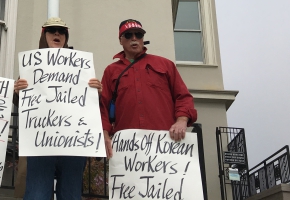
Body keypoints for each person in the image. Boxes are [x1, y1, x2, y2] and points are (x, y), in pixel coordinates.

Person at [13, 17, 102, 200]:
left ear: (66, 37)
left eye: (61, 31)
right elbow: (21, 104)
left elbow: (90, 105)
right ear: (44, 34)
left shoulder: (81, 67)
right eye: (52, 30)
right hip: (41, 143)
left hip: (73, 144)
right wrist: (17, 92)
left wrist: (96, 92)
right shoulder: (31, 65)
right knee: (37, 195)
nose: (57, 34)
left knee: (70, 194)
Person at [99, 19, 198, 158]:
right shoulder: (111, 71)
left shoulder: (165, 64)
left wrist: (182, 120)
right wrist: (104, 135)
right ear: (120, 40)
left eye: (138, 35)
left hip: (165, 144)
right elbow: (102, 106)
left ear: (142, 38)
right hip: (127, 146)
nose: (134, 38)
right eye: (128, 35)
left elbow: (183, 96)